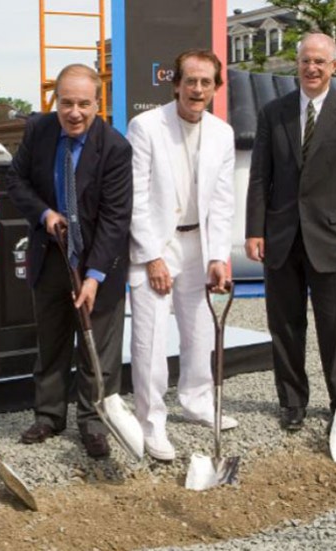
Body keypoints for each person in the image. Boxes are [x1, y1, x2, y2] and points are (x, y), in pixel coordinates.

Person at [245, 33, 336, 432]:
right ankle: (291, 402)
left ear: (334, 66)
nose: (312, 68)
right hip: (281, 237)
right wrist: (255, 229)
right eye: (306, 60)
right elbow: (259, 178)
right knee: (284, 324)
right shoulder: (274, 113)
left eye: (320, 61)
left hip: (333, 240)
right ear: (297, 63)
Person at [6, 64, 133, 458]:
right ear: (55, 101)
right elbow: (16, 181)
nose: (74, 112)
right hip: (52, 256)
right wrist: (44, 214)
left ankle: (94, 422)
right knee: (52, 339)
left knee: (98, 350)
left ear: (99, 103)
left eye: (83, 104)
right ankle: (49, 414)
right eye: (66, 103)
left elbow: (115, 219)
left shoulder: (114, 147)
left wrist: (93, 277)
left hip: (99, 263)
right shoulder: (39, 132)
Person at [126, 49, 238, 461]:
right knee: (150, 340)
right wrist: (151, 255)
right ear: (175, 84)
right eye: (190, 81)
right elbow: (134, 197)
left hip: (199, 246)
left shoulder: (222, 134)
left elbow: (223, 200)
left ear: (215, 88)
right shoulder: (145, 127)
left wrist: (217, 256)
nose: (197, 89)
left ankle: (196, 401)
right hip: (156, 244)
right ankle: (151, 423)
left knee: (200, 331)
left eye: (205, 82)